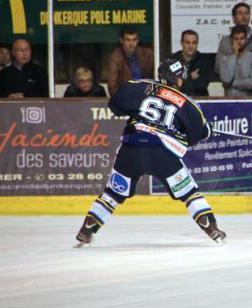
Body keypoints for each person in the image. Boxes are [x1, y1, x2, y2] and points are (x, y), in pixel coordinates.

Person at [75, 58, 226, 246]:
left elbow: (115, 104)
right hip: (162, 153)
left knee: (112, 193)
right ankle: (211, 228)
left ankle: (86, 229)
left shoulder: (141, 87)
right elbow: (197, 135)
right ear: (178, 79)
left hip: (132, 148)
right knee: (189, 193)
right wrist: (206, 129)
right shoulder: (188, 103)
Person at [107, 26, 154, 97]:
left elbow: (156, 76)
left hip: (147, 95)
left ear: (138, 40)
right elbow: (112, 86)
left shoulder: (147, 54)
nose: (131, 44)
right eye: (128, 40)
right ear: (121, 40)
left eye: (134, 40)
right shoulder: (115, 58)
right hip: (126, 98)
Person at [215, 2, 252, 75]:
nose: (244, 16)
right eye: (240, 13)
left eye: (247, 13)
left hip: (251, 83)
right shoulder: (225, 41)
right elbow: (218, 68)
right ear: (233, 18)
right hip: (230, 82)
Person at [217, 25, 252, 96]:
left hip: (249, 100)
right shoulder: (224, 59)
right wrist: (234, 55)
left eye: (241, 38)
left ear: (246, 40)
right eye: (236, 39)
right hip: (229, 100)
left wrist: (232, 83)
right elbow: (226, 80)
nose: (239, 42)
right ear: (231, 40)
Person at [172, 30, 213, 96]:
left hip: (200, 100)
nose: (191, 46)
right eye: (187, 42)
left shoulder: (204, 61)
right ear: (181, 43)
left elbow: (202, 85)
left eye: (194, 43)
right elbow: (172, 85)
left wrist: (182, 80)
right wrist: (190, 77)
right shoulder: (173, 60)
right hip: (177, 99)